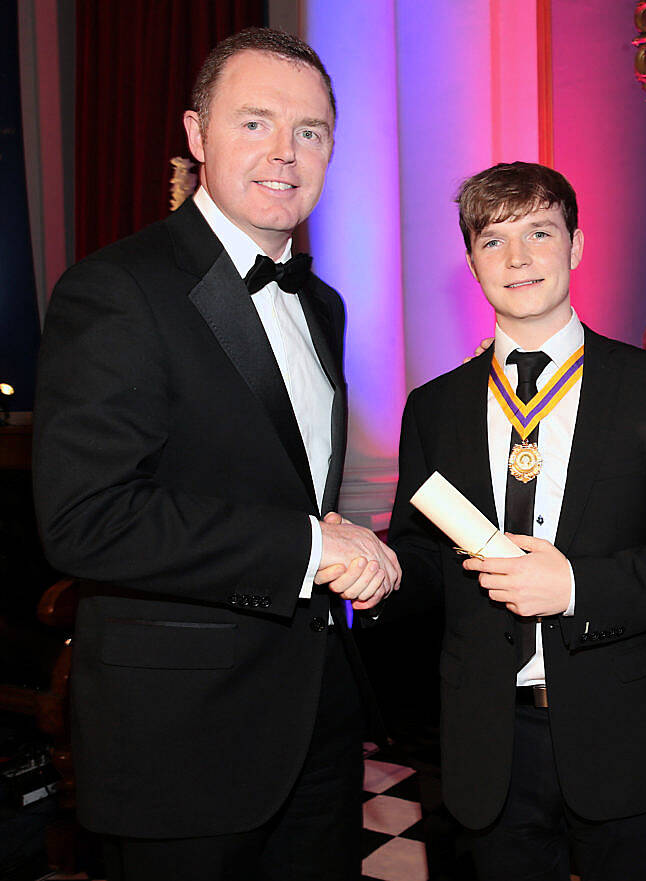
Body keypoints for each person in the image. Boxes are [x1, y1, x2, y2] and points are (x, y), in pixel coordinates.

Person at [33, 27, 398, 881]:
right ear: (197, 136)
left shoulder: (325, 303)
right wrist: (311, 547)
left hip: (316, 720)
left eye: (310, 131)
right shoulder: (116, 288)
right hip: (180, 737)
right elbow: (87, 520)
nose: (285, 152)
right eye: (255, 123)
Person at [386, 161, 646, 881]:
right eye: (493, 241)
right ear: (471, 261)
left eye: (539, 233)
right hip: (488, 738)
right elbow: (423, 558)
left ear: (577, 245)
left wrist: (576, 587)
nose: (518, 258)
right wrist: (377, 571)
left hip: (624, 731)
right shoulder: (432, 408)